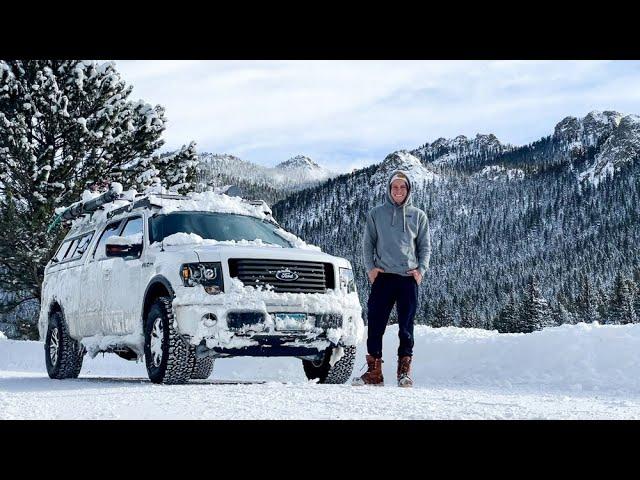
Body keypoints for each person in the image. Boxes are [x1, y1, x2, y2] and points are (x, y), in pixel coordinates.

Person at [353, 170, 431, 387]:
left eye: (402, 187)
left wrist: (420, 271)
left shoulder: (418, 215)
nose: (398, 191)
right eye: (394, 187)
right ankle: (374, 373)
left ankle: (403, 373)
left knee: (406, 327)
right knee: (376, 323)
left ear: (408, 190)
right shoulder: (376, 214)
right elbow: (368, 243)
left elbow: (425, 247)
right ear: (389, 190)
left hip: (408, 279)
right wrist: (371, 269)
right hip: (383, 278)